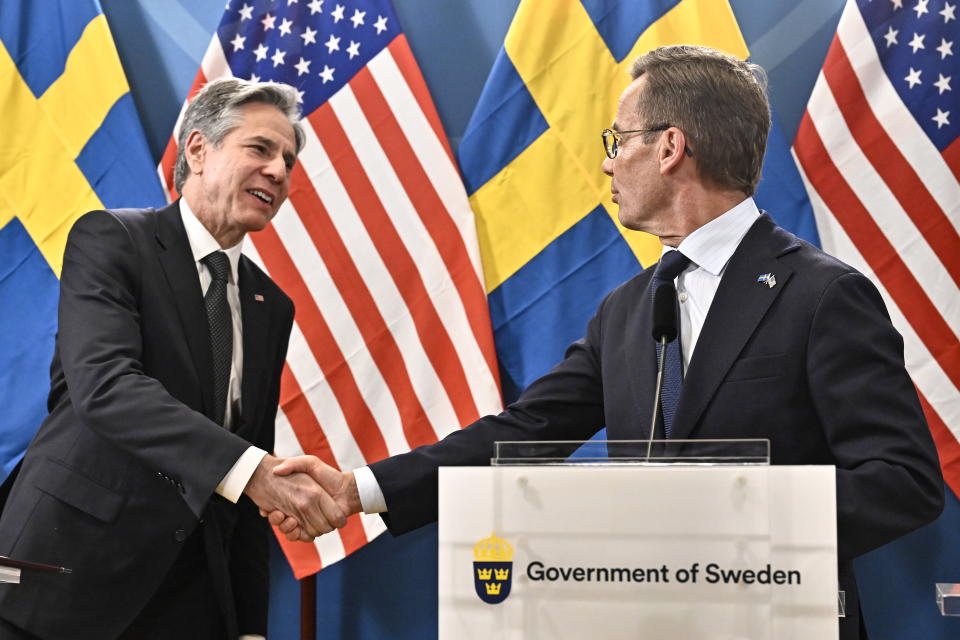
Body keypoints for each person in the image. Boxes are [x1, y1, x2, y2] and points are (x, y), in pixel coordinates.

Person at [268, 46, 944, 640]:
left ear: (671, 147)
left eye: (618, 139)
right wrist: (360, 489)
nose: (608, 161)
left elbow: (902, 483)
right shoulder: (626, 309)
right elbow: (526, 431)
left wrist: (738, 538)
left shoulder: (821, 294)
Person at [0, 78, 345, 640]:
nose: (279, 171)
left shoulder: (270, 305)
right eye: (260, 149)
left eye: (288, 159)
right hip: (65, 573)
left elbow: (251, 458)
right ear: (198, 149)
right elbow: (107, 387)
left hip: (189, 599)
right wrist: (254, 472)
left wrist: (249, 625)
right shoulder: (112, 240)